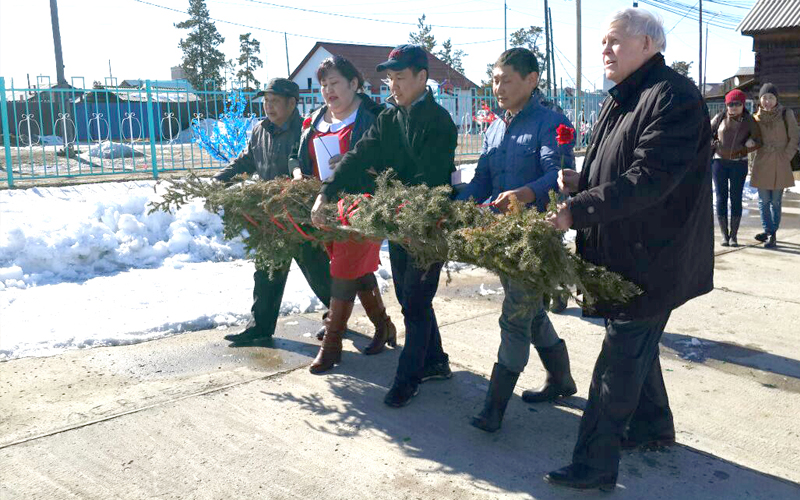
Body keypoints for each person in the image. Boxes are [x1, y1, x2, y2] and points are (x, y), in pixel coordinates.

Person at [545, 8, 713, 491]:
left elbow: (649, 179)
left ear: (647, 44)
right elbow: (621, 166)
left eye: (615, 41)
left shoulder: (673, 97)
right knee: (635, 346)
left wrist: (578, 209)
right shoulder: (624, 95)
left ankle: (594, 465)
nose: (605, 50)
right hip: (626, 251)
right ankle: (653, 426)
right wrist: (584, 181)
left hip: (653, 257)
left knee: (618, 362)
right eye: (603, 41)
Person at [310, 44, 458, 407]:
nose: (393, 85)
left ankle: (407, 379)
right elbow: (359, 155)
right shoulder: (390, 119)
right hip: (399, 223)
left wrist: (390, 197)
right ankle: (436, 362)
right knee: (408, 297)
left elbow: (429, 179)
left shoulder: (439, 122)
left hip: (428, 225)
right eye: (390, 79)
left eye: (400, 78)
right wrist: (327, 193)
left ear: (422, 78)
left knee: (416, 304)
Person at [456, 48, 577, 433]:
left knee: (514, 316)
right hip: (502, 238)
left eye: (506, 80)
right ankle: (562, 380)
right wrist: (455, 206)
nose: (498, 87)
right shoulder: (494, 127)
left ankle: (494, 408)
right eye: (495, 80)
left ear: (531, 80)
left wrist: (524, 194)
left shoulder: (550, 122)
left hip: (535, 237)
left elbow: (557, 177)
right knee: (529, 310)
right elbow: (482, 180)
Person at [292, 56, 397, 373]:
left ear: (354, 83)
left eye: (335, 83)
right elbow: (296, 156)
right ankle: (383, 325)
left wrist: (356, 164)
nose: (328, 90)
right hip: (324, 206)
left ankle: (332, 343)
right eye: (324, 85)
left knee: (342, 269)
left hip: (362, 205)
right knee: (353, 269)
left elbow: (392, 162)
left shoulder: (376, 116)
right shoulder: (313, 120)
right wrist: (298, 175)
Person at [213, 78, 332, 343]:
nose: (268, 106)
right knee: (266, 272)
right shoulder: (260, 130)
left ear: (292, 103)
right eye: (266, 101)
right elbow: (246, 161)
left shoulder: (306, 131)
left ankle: (338, 317)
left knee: (317, 272)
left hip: (300, 216)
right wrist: (218, 181)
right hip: (272, 217)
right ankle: (260, 328)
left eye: (275, 101)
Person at [710, 89, 762, 247]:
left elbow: (759, 140)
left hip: (739, 163)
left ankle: (734, 236)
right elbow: (707, 133)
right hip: (719, 163)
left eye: (737, 104)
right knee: (721, 198)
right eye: (730, 104)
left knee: (736, 198)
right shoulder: (719, 117)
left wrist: (749, 146)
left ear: (743, 104)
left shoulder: (749, 120)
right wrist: (712, 142)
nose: (733, 107)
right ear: (726, 105)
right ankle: (724, 235)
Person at [751, 83, 799, 249]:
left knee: (775, 201)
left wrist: (786, 156)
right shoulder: (755, 118)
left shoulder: (786, 113)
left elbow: (794, 137)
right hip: (762, 161)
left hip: (780, 161)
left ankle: (772, 233)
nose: (767, 101)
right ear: (760, 99)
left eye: (771, 97)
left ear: (776, 99)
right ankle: (769, 231)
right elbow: (752, 138)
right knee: (763, 201)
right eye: (764, 97)